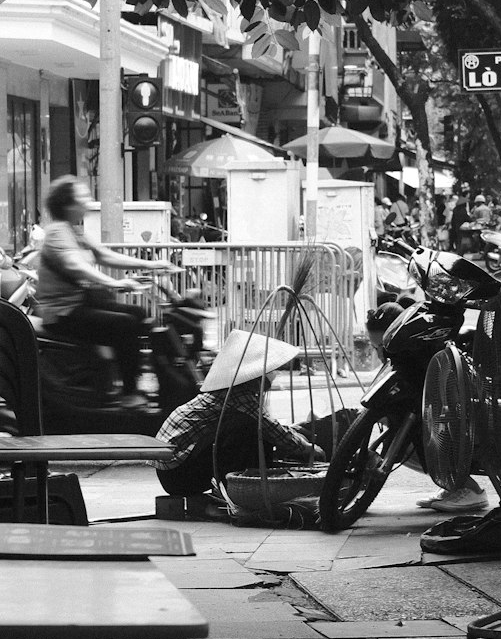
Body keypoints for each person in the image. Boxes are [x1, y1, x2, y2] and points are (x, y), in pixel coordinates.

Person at [36, 175, 170, 407]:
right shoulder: (58, 232)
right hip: (62, 313)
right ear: (68, 203)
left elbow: (104, 255)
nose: (88, 199)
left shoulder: (74, 230)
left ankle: (129, 380)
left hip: (79, 304)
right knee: (126, 324)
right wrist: (113, 283)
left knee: (138, 314)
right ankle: (128, 393)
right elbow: (74, 264)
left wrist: (150, 264)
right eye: (82, 195)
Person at [156, 330, 318, 497]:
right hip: (179, 475)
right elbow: (271, 429)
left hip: (171, 471)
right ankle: (246, 493)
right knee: (254, 431)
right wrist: (307, 448)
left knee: (255, 428)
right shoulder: (238, 395)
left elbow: (273, 425)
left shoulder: (225, 391)